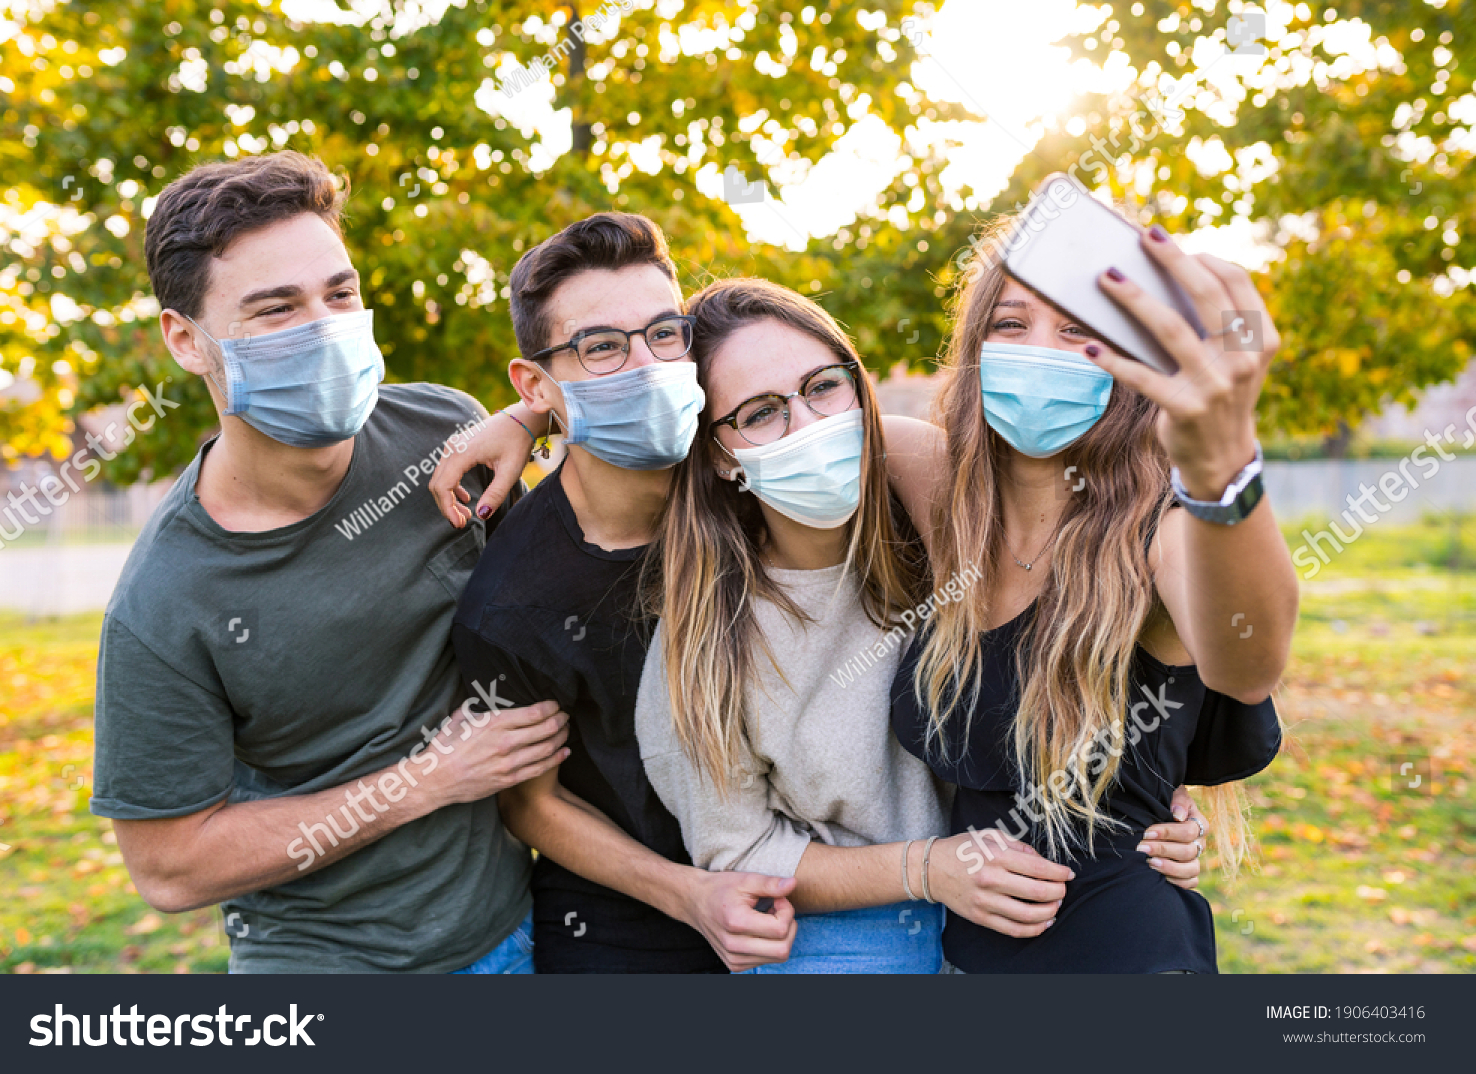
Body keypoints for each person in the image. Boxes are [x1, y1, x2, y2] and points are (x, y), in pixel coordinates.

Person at [437, 251, 1213, 970]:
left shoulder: (935, 501)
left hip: (1008, 894)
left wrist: (1151, 793)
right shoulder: (698, 624)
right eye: (761, 412)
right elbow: (726, 845)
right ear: (717, 447)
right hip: (838, 918)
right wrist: (533, 414)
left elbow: (1103, 617)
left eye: (822, 386)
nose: (809, 428)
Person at [91, 152, 569, 974]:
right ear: (185, 340)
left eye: (339, 294)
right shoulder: (164, 600)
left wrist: (535, 417)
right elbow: (169, 865)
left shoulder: (446, 436)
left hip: (519, 928)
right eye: (276, 309)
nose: (324, 325)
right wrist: (424, 781)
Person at [891, 217, 1296, 973]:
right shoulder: (935, 487)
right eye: (1010, 323)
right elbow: (778, 420)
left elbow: (1250, 661)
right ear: (976, 349)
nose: (1040, 349)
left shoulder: (1160, 533)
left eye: (1081, 329)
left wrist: (1225, 469)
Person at [445, 213, 800, 973]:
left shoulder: (752, 465)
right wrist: (689, 894)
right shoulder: (513, 599)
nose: (646, 365)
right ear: (537, 383)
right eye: (602, 347)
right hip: (629, 928)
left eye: (663, 334)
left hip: (814, 893)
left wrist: (528, 420)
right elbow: (531, 803)